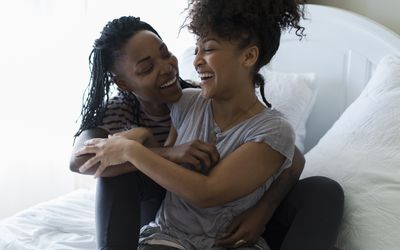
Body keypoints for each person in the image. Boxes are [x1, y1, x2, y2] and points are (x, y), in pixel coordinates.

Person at [74, 1, 344, 250]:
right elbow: (89, 162)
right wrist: (143, 138)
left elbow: (208, 192)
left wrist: (132, 149)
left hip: (226, 239)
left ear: (248, 57)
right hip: (168, 234)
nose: (195, 61)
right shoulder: (183, 103)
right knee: (116, 175)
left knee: (326, 190)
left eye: (209, 49)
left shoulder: (268, 128)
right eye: (197, 49)